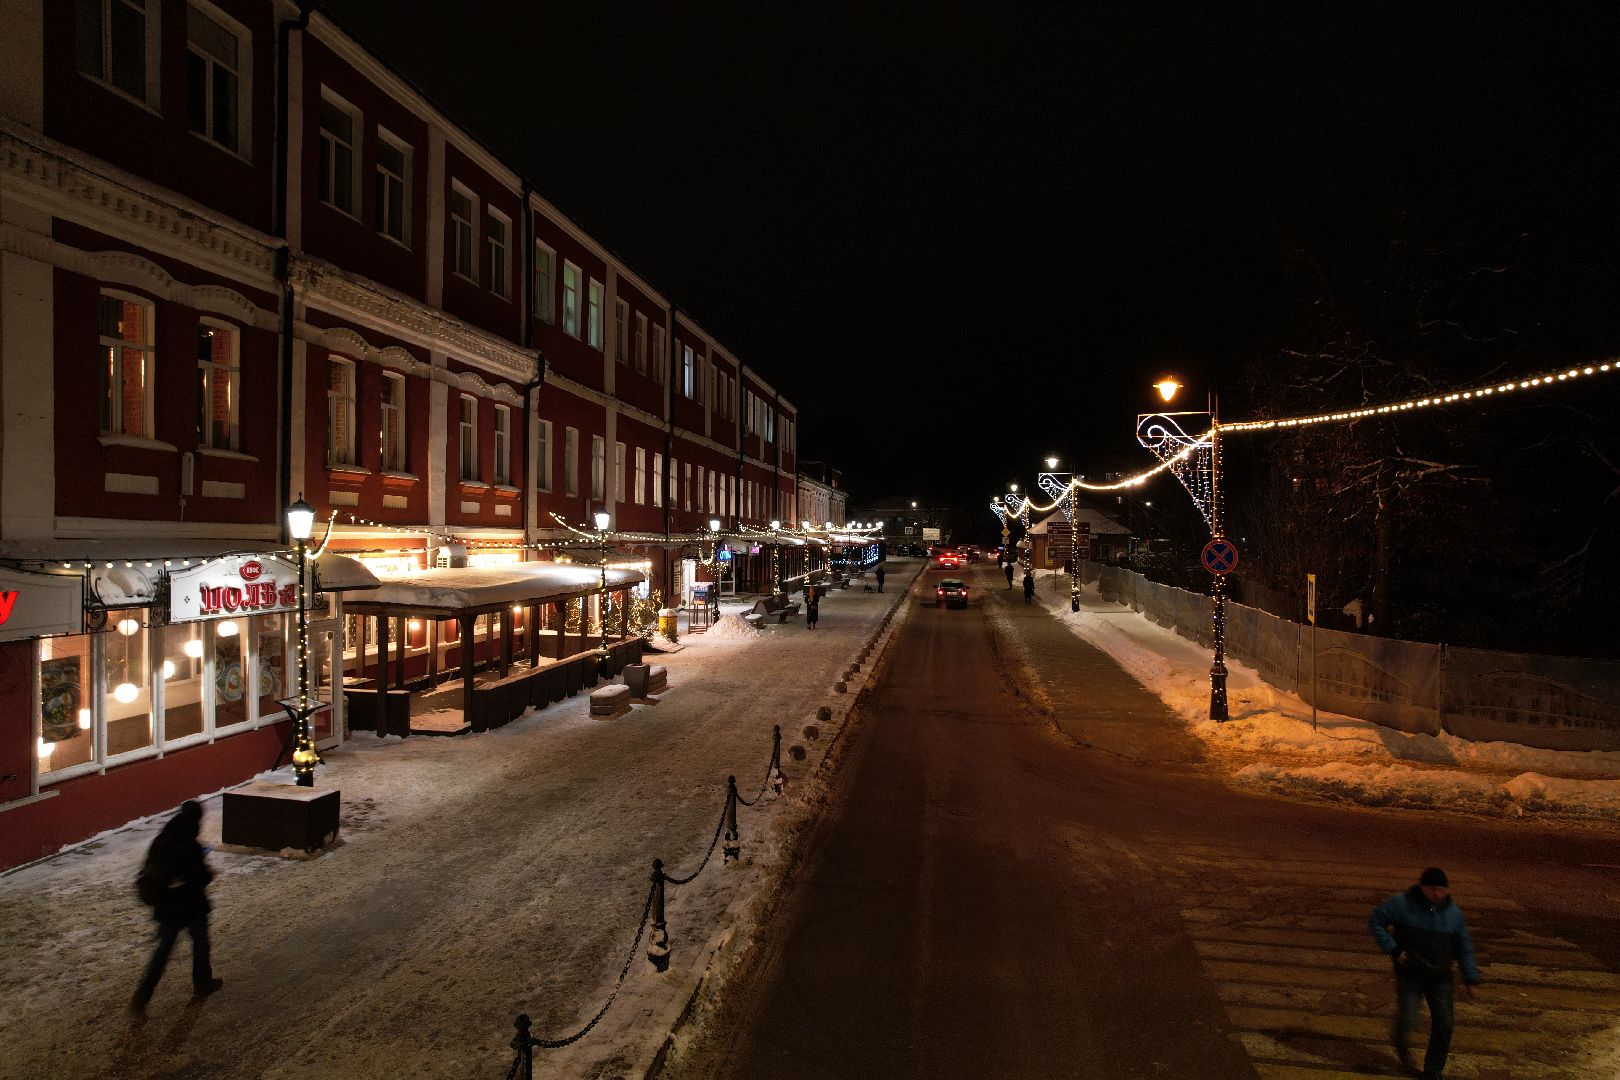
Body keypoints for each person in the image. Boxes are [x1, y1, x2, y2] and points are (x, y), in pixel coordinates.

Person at [1368, 868, 1481, 1079]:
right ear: (1423, 888)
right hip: (1411, 973)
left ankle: (1433, 1070)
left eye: (1443, 889)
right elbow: (1376, 921)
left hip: (1440, 977)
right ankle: (1400, 1036)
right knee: (1409, 1019)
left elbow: (1464, 945)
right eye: (1434, 889)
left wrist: (1470, 977)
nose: (1439, 894)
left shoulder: (1453, 914)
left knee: (1445, 1024)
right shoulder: (1402, 904)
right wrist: (1394, 949)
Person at [130, 801, 223, 1019]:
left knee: (162, 954)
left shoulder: (164, 837)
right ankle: (202, 982)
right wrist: (207, 874)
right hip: (189, 904)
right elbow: (200, 876)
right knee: (200, 941)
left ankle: (141, 998)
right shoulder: (188, 843)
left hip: (167, 907)